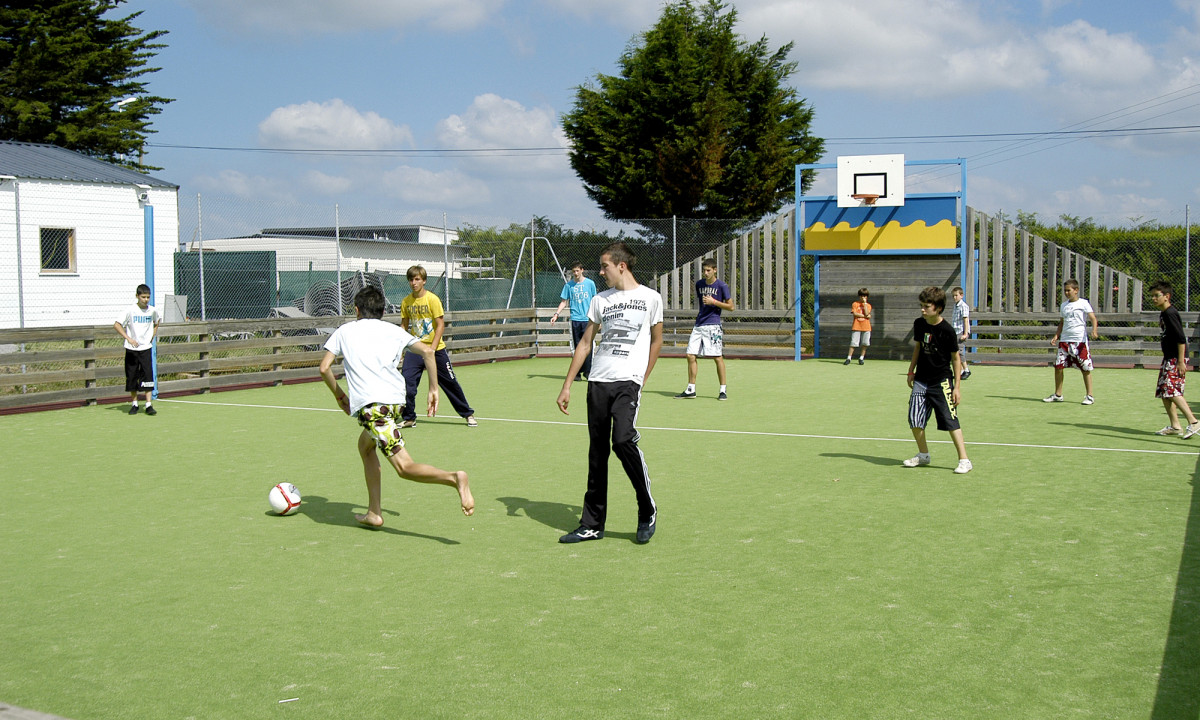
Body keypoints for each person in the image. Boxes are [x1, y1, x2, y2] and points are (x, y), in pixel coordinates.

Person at [319, 286, 474, 527]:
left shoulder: (344, 331)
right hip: (395, 403)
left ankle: (454, 478)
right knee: (365, 446)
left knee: (404, 467)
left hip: (372, 406)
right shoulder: (393, 330)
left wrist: (339, 396)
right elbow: (427, 352)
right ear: (382, 311)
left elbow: (324, 368)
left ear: (357, 310)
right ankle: (374, 512)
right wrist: (433, 388)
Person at [556, 242, 664, 545]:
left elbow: (657, 341)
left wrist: (642, 378)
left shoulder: (650, 298)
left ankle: (647, 508)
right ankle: (591, 524)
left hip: (628, 382)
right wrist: (566, 385)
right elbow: (585, 344)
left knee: (622, 440)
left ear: (621, 266)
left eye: (604, 266)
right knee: (597, 453)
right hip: (598, 381)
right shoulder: (600, 300)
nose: (600, 271)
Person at [398, 265, 478, 428]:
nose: (414, 283)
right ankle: (409, 418)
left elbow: (440, 325)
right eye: (411, 280)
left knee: (450, 382)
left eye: (417, 279)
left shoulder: (433, 299)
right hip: (415, 349)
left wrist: (432, 349)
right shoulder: (406, 302)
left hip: (436, 350)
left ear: (424, 281)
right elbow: (403, 327)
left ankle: (467, 414)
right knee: (407, 383)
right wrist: (399, 349)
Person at [904, 286, 972, 474]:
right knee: (915, 418)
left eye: (926, 306)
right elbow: (918, 347)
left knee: (950, 420)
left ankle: (964, 460)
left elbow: (956, 359)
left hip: (941, 381)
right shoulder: (919, 324)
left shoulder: (947, 331)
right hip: (921, 380)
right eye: (921, 306)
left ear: (938, 308)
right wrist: (911, 371)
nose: (922, 310)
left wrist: (956, 387)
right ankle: (923, 454)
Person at [675, 257, 733, 400]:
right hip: (699, 324)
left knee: (717, 357)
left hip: (713, 325)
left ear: (714, 270)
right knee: (690, 355)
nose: (706, 273)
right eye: (704, 270)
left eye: (708, 270)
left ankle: (723, 390)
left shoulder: (722, 286)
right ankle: (691, 389)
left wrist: (714, 302)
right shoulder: (699, 284)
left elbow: (731, 307)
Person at [1149, 282, 1200, 438]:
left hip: (1175, 359)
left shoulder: (1170, 313)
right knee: (1164, 393)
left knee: (1172, 391)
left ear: (1167, 296)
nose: (1153, 299)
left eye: (1157, 295)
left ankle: (1194, 422)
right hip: (1168, 358)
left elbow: (1181, 339)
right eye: (1152, 296)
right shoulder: (1164, 313)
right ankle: (1175, 426)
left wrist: (1180, 361)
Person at [1043, 279, 1098, 405]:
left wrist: (1094, 330)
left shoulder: (1084, 303)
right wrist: (1056, 336)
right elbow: (1062, 322)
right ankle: (1058, 394)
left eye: (1069, 290)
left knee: (1085, 368)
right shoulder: (1064, 305)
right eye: (1065, 291)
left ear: (1076, 290)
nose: (1067, 293)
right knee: (1058, 367)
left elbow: (1093, 318)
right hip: (1064, 341)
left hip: (1080, 341)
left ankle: (1089, 396)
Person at [113, 283, 161, 416]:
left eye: (148, 297)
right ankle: (134, 404)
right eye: (143, 297)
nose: (145, 300)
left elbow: (157, 322)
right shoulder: (129, 311)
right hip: (131, 349)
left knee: (147, 375)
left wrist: (152, 336)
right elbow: (117, 325)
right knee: (132, 375)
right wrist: (128, 338)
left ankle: (148, 405)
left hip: (145, 349)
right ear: (137, 296)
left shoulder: (152, 310)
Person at [551, 261, 598, 381]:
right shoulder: (569, 286)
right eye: (574, 271)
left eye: (577, 271)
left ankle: (588, 371)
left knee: (588, 346)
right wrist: (556, 314)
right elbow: (563, 301)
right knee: (577, 347)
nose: (576, 273)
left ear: (582, 270)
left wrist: (598, 317)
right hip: (575, 319)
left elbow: (595, 300)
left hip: (588, 319)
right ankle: (577, 372)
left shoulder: (590, 284)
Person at [845, 288, 872, 365]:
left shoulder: (868, 305)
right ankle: (849, 358)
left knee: (865, 343)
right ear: (859, 296)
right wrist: (866, 316)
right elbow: (855, 314)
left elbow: (867, 313)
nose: (863, 297)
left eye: (865, 296)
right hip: (856, 326)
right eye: (862, 296)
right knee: (853, 343)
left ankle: (861, 358)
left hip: (866, 327)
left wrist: (865, 304)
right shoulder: (855, 304)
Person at [950, 286, 971, 380]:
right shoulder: (955, 306)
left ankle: (966, 370)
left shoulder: (964, 306)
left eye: (956, 295)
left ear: (961, 295)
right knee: (956, 351)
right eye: (953, 296)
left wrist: (965, 333)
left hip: (961, 331)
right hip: (955, 332)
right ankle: (961, 371)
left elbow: (965, 320)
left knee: (960, 351)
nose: (955, 297)